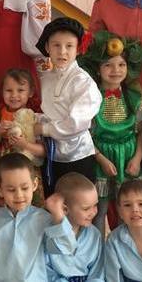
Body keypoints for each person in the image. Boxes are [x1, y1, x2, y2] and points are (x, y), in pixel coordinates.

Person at [78, 30, 142, 233]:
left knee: (128, 208)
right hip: (101, 158)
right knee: (99, 210)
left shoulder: (135, 97)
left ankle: (125, 246)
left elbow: (141, 131)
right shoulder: (91, 97)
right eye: (108, 65)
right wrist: (101, 160)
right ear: (98, 70)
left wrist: (137, 158)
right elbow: (85, 134)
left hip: (129, 157)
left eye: (121, 65)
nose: (116, 70)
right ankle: (98, 247)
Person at [34, 17, 102, 192]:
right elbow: (49, 113)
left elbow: (76, 122)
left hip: (78, 155)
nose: (62, 51)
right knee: (54, 200)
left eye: (69, 46)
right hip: (51, 154)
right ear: (47, 47)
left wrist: (44, 129)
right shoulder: (45, 78)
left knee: (79, 203)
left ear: (78, 48)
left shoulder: (83, 82)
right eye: (56, 45)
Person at [0, 153, 55, 281]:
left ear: (34, 184)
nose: (19, 195)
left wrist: (59, 218)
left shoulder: (46, 220)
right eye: (11, 190)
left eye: (24, 188)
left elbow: (62, 252)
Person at [0, 69, 46, 209]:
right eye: (9, 90)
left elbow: (44, 151)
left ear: (30, 92)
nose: (14, 95)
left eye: (20, 90)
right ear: (2, 91)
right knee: (2, 203)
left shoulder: (35, 118)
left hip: (27, 166)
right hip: (1, 167)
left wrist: (24, 144)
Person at [45, 173, 104, 282]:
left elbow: (98, 271)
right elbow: (46, 270)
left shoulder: (95, 234)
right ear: (65, 209)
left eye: (95, 205)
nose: (93, 212)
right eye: (86, 209)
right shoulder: (49, 235)